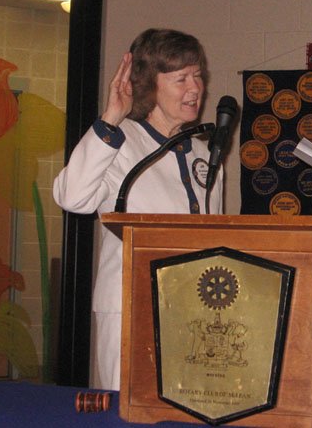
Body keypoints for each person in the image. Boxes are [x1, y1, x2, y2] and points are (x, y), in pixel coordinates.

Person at [53, 28, 223, 390]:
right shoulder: (118, 140)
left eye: (198, 75)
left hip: (194, 314)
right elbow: (72, 197)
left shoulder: (206, 155)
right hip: (132, 310)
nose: (195, 88)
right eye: (180, 78)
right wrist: (111, 118)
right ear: (149, 85)